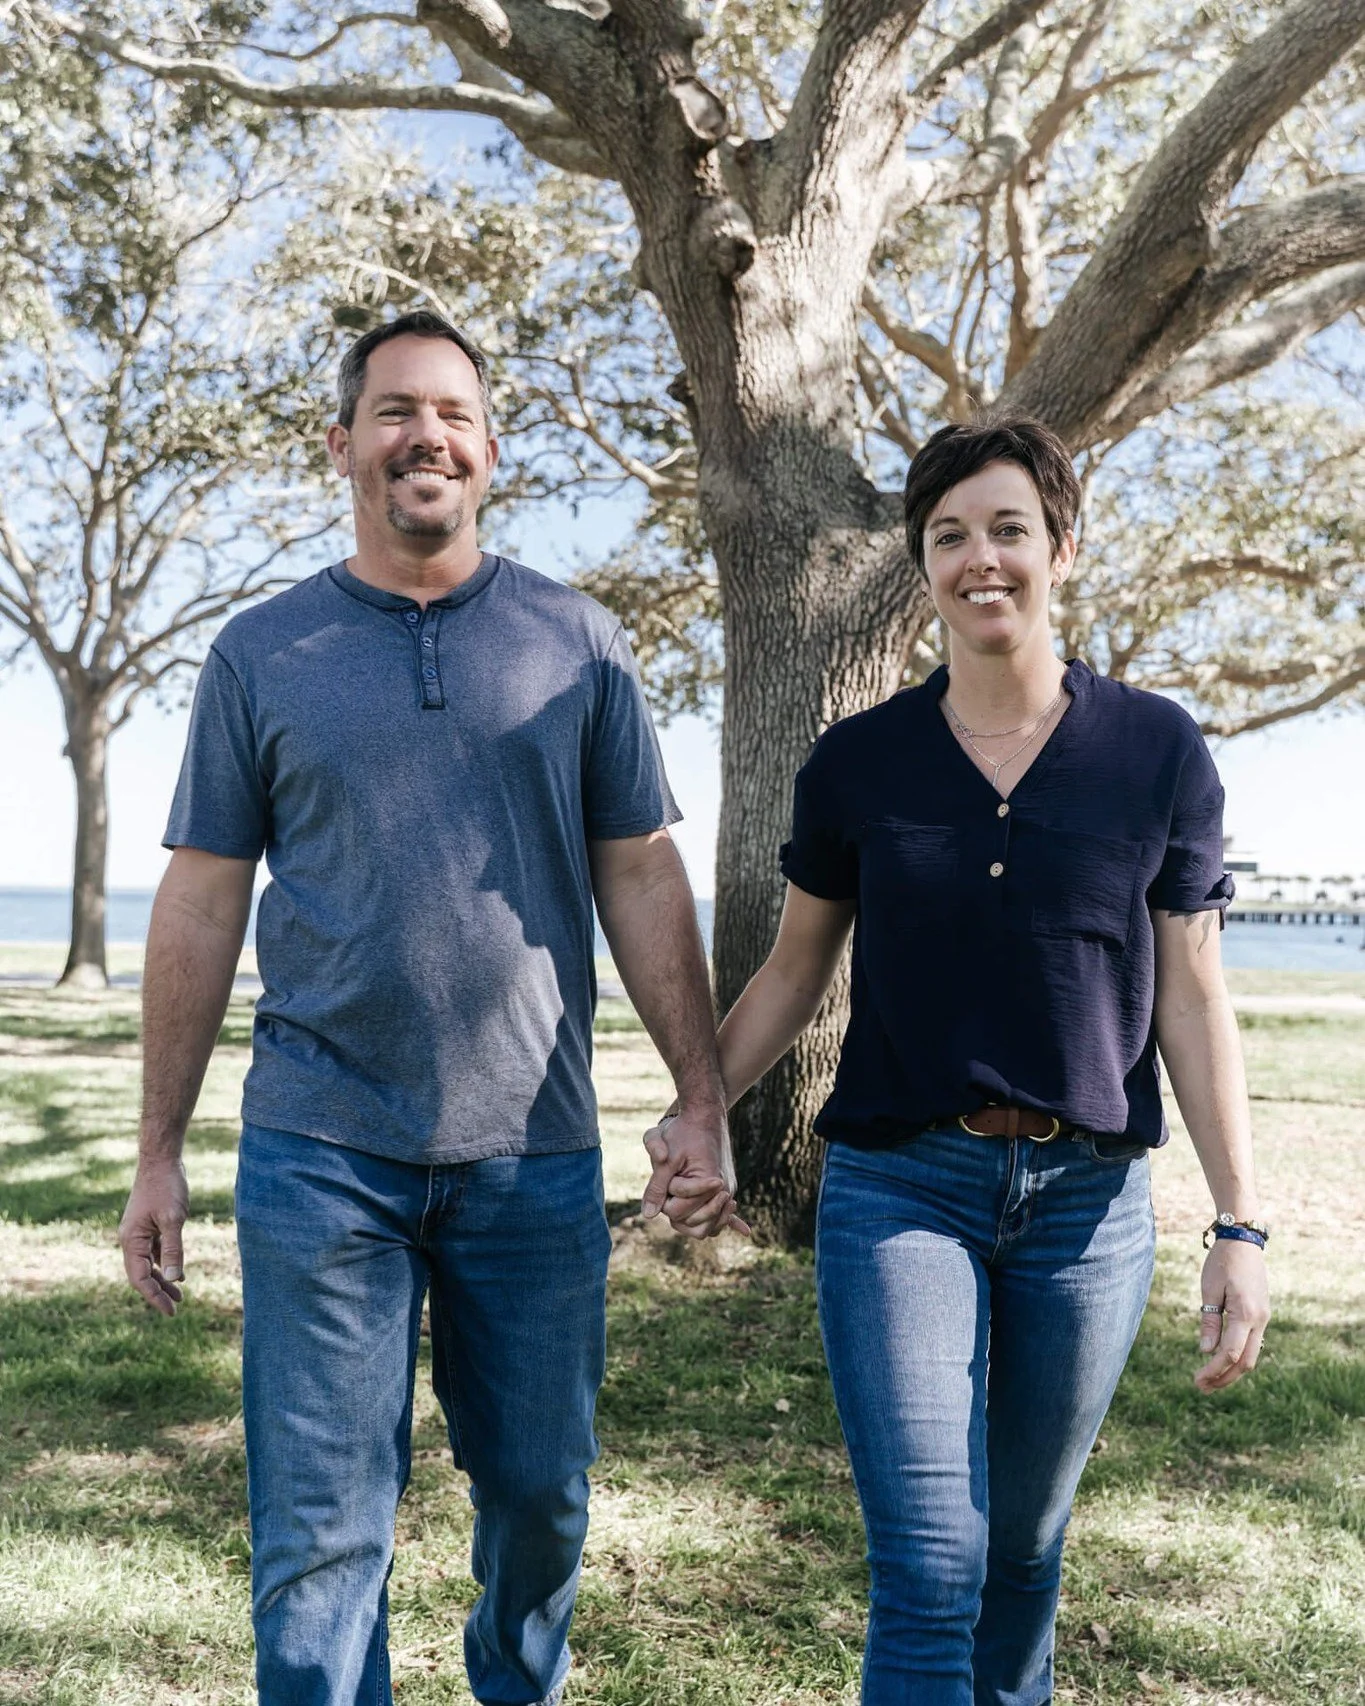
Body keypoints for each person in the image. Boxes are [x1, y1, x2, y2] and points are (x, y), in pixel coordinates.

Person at [118, 309, 742, 1706]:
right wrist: (158, 1148)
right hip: (319, 1149)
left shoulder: (576, 640)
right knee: (320, 1541)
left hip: (534, 1153)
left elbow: (640, 873)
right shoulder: (260, 653)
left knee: (539, 1506)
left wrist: (699, 1097)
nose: (426, 435)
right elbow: (203, 898)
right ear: (341, 444)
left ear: (490, 449)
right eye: (395, 410)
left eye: (452, 412)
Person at [643, 417, 1271, 1704]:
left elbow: (1194, 996)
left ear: (1062, 548)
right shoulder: (857, 762)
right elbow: (792, 972)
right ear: (921, 565)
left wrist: (1240, 1222)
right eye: (948, 536)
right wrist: (699, 1112)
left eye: (1007, 529)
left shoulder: (1158, 751)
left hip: (1090, 1209)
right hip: (899, 1191)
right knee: (932, 1563)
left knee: (1025, 1552)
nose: (980, 557)